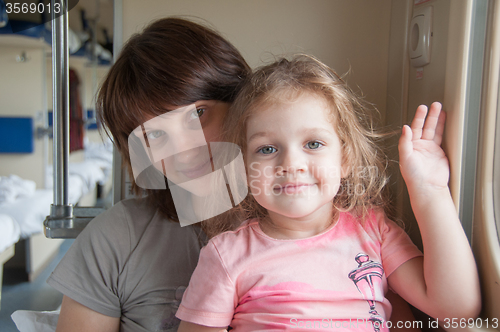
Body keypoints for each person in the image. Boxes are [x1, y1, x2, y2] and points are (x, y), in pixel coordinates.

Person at [48, 18, 425, 332]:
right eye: (155, 136)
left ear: (243, 102)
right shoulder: (117, 238)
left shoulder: (338, 224)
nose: (185, 149)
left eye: (198, 114)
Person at [175, 55, 481, 331]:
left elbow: (456, 310)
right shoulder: (225, 255)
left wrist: (430, 192)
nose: (291, 164)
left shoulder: (373, 231)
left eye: (313, 144)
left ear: (345, 159)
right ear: (242, 169)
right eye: (267, 149)